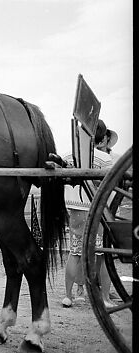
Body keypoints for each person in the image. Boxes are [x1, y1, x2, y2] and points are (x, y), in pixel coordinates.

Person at [62, 119, 119, 308]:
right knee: (102, 254)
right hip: (97, 210)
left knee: (75, 252)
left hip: (76, 207)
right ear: (102, 139)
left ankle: (69, 296)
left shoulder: (68, 157)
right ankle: (104, 297)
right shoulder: (105, 159)